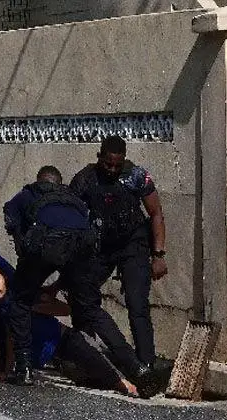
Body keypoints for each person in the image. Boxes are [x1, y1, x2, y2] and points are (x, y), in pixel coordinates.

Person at [4, 166, 158, 396]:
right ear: (60, 182)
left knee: (19, 302)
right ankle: (136, 366)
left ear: (40, 181)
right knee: (91, 309)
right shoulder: (72, 199)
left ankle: (24, 368)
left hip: (47, 244)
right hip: (82, 246)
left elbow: (11, 220)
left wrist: (27, 265)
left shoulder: (30, 193)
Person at [0, 258, 140, 397]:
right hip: (55, 358)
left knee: (120, 384)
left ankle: (138, 383)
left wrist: (36, 306)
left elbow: (65, 310)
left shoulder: (23, 298)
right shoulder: (1, 305)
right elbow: (12, 337)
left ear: (4, 277)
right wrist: (7, 370)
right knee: (91, 383)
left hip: (69, 342)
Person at [70, 135, 168, 367]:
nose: (112, 169)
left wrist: (159, 254)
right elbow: (71, 213)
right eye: (108, 164)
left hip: (133, 244)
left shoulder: (136, 176)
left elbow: (156, 214)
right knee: (82, 296)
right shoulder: (85, 179)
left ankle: (146, 364)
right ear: (99, 157)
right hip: (101, 246)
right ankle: (87, 358)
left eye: (117, 165)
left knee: (137, 304)